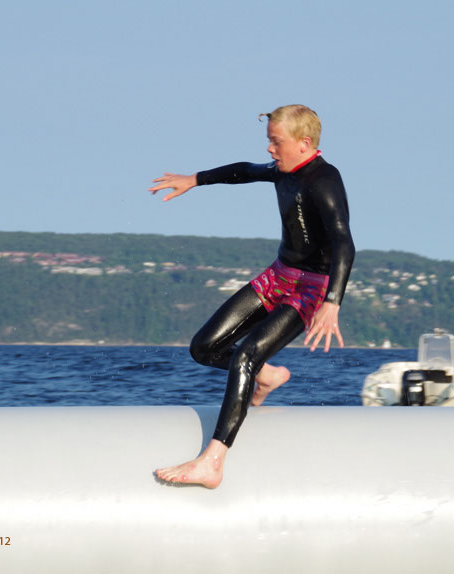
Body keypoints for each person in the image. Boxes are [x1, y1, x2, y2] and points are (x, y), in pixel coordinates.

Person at [148, 104, 354, 488]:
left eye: (276, 142)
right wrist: (194, 179)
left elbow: (343, 241)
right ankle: (268, 375)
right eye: (269, 141)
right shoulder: (282, 171)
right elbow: (244, 170)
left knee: (245, 355)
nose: (270, 149)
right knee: (204, 348)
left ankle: (213, 462)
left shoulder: (325, 179)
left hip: (311, 288)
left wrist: (332, 302)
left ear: (304, 143)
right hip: (278, 276)